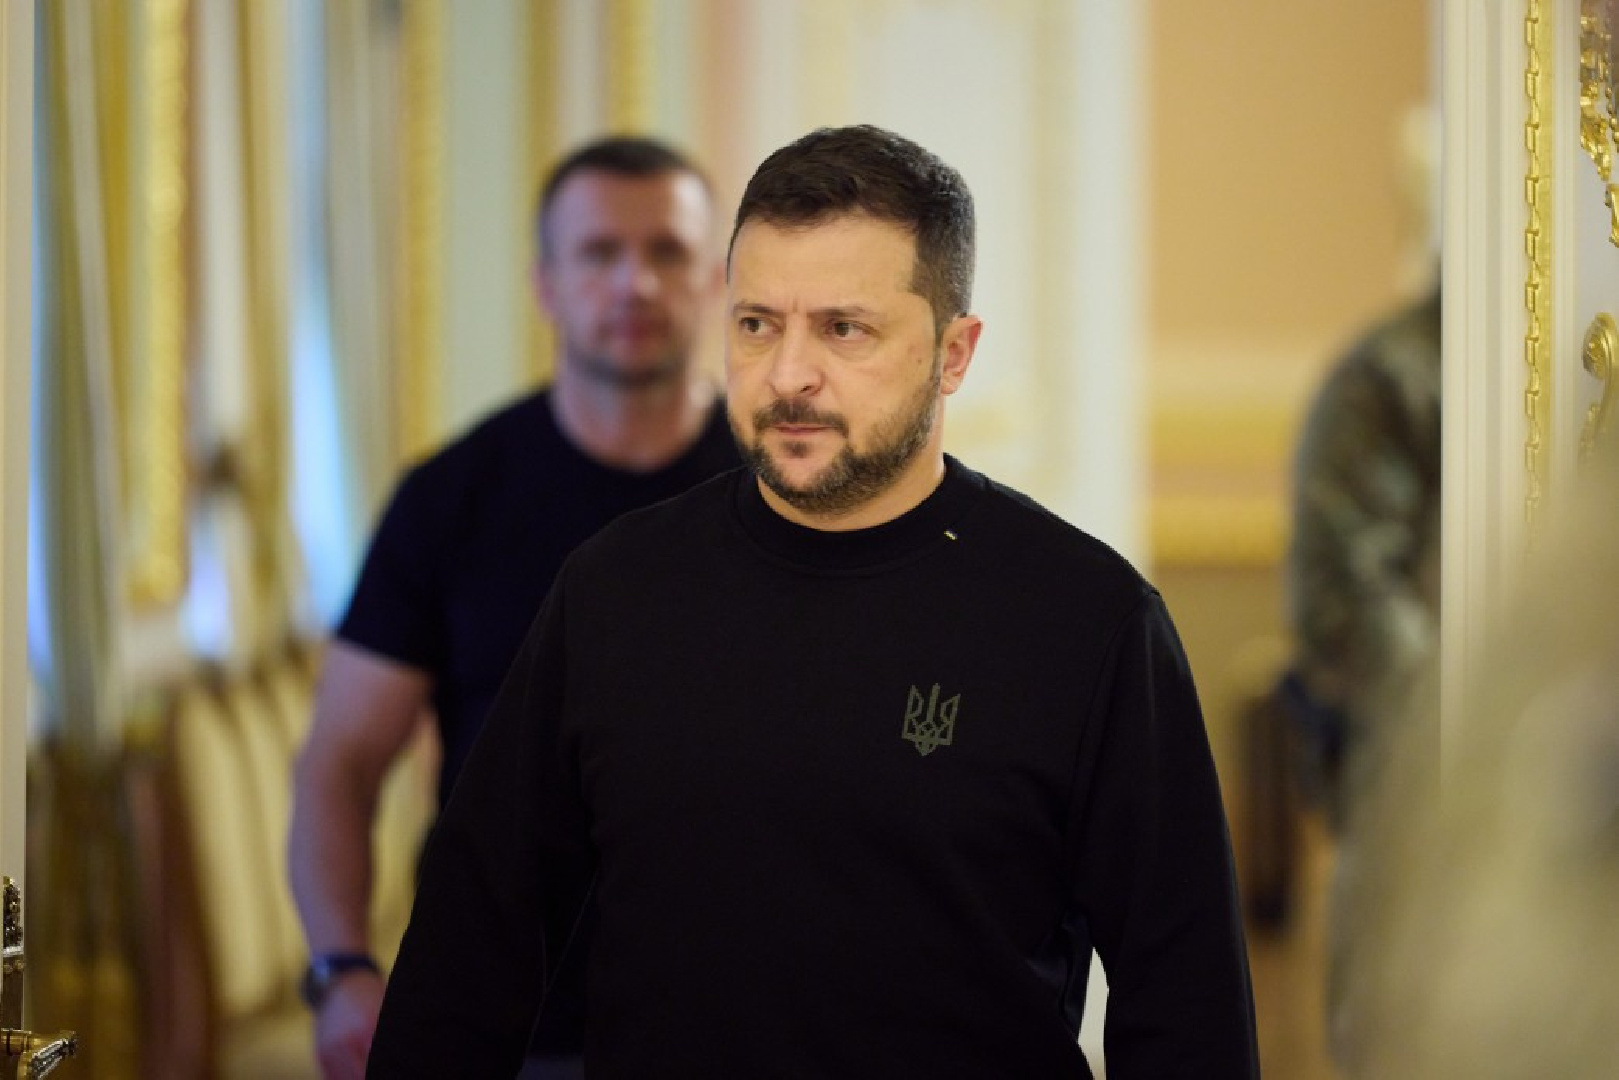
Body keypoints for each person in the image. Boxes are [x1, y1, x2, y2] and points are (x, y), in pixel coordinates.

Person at [368, 124, 1258, 1078]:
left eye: (844, 329)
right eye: (757, 324)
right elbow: (469, 950)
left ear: (953, 354)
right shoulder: (613, 591)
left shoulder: (1085, 619)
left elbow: (1187, 1006)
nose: (789, 374)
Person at [287, 135, 740, 1080]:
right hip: (501, 1021)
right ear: (545, 285)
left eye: (666, 252)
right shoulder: (449, 498)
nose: (634, 284)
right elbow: (341, 762)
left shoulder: (786, 490)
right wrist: (341, 970)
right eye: (599, 252)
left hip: (749, 1021)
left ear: (713, 282)